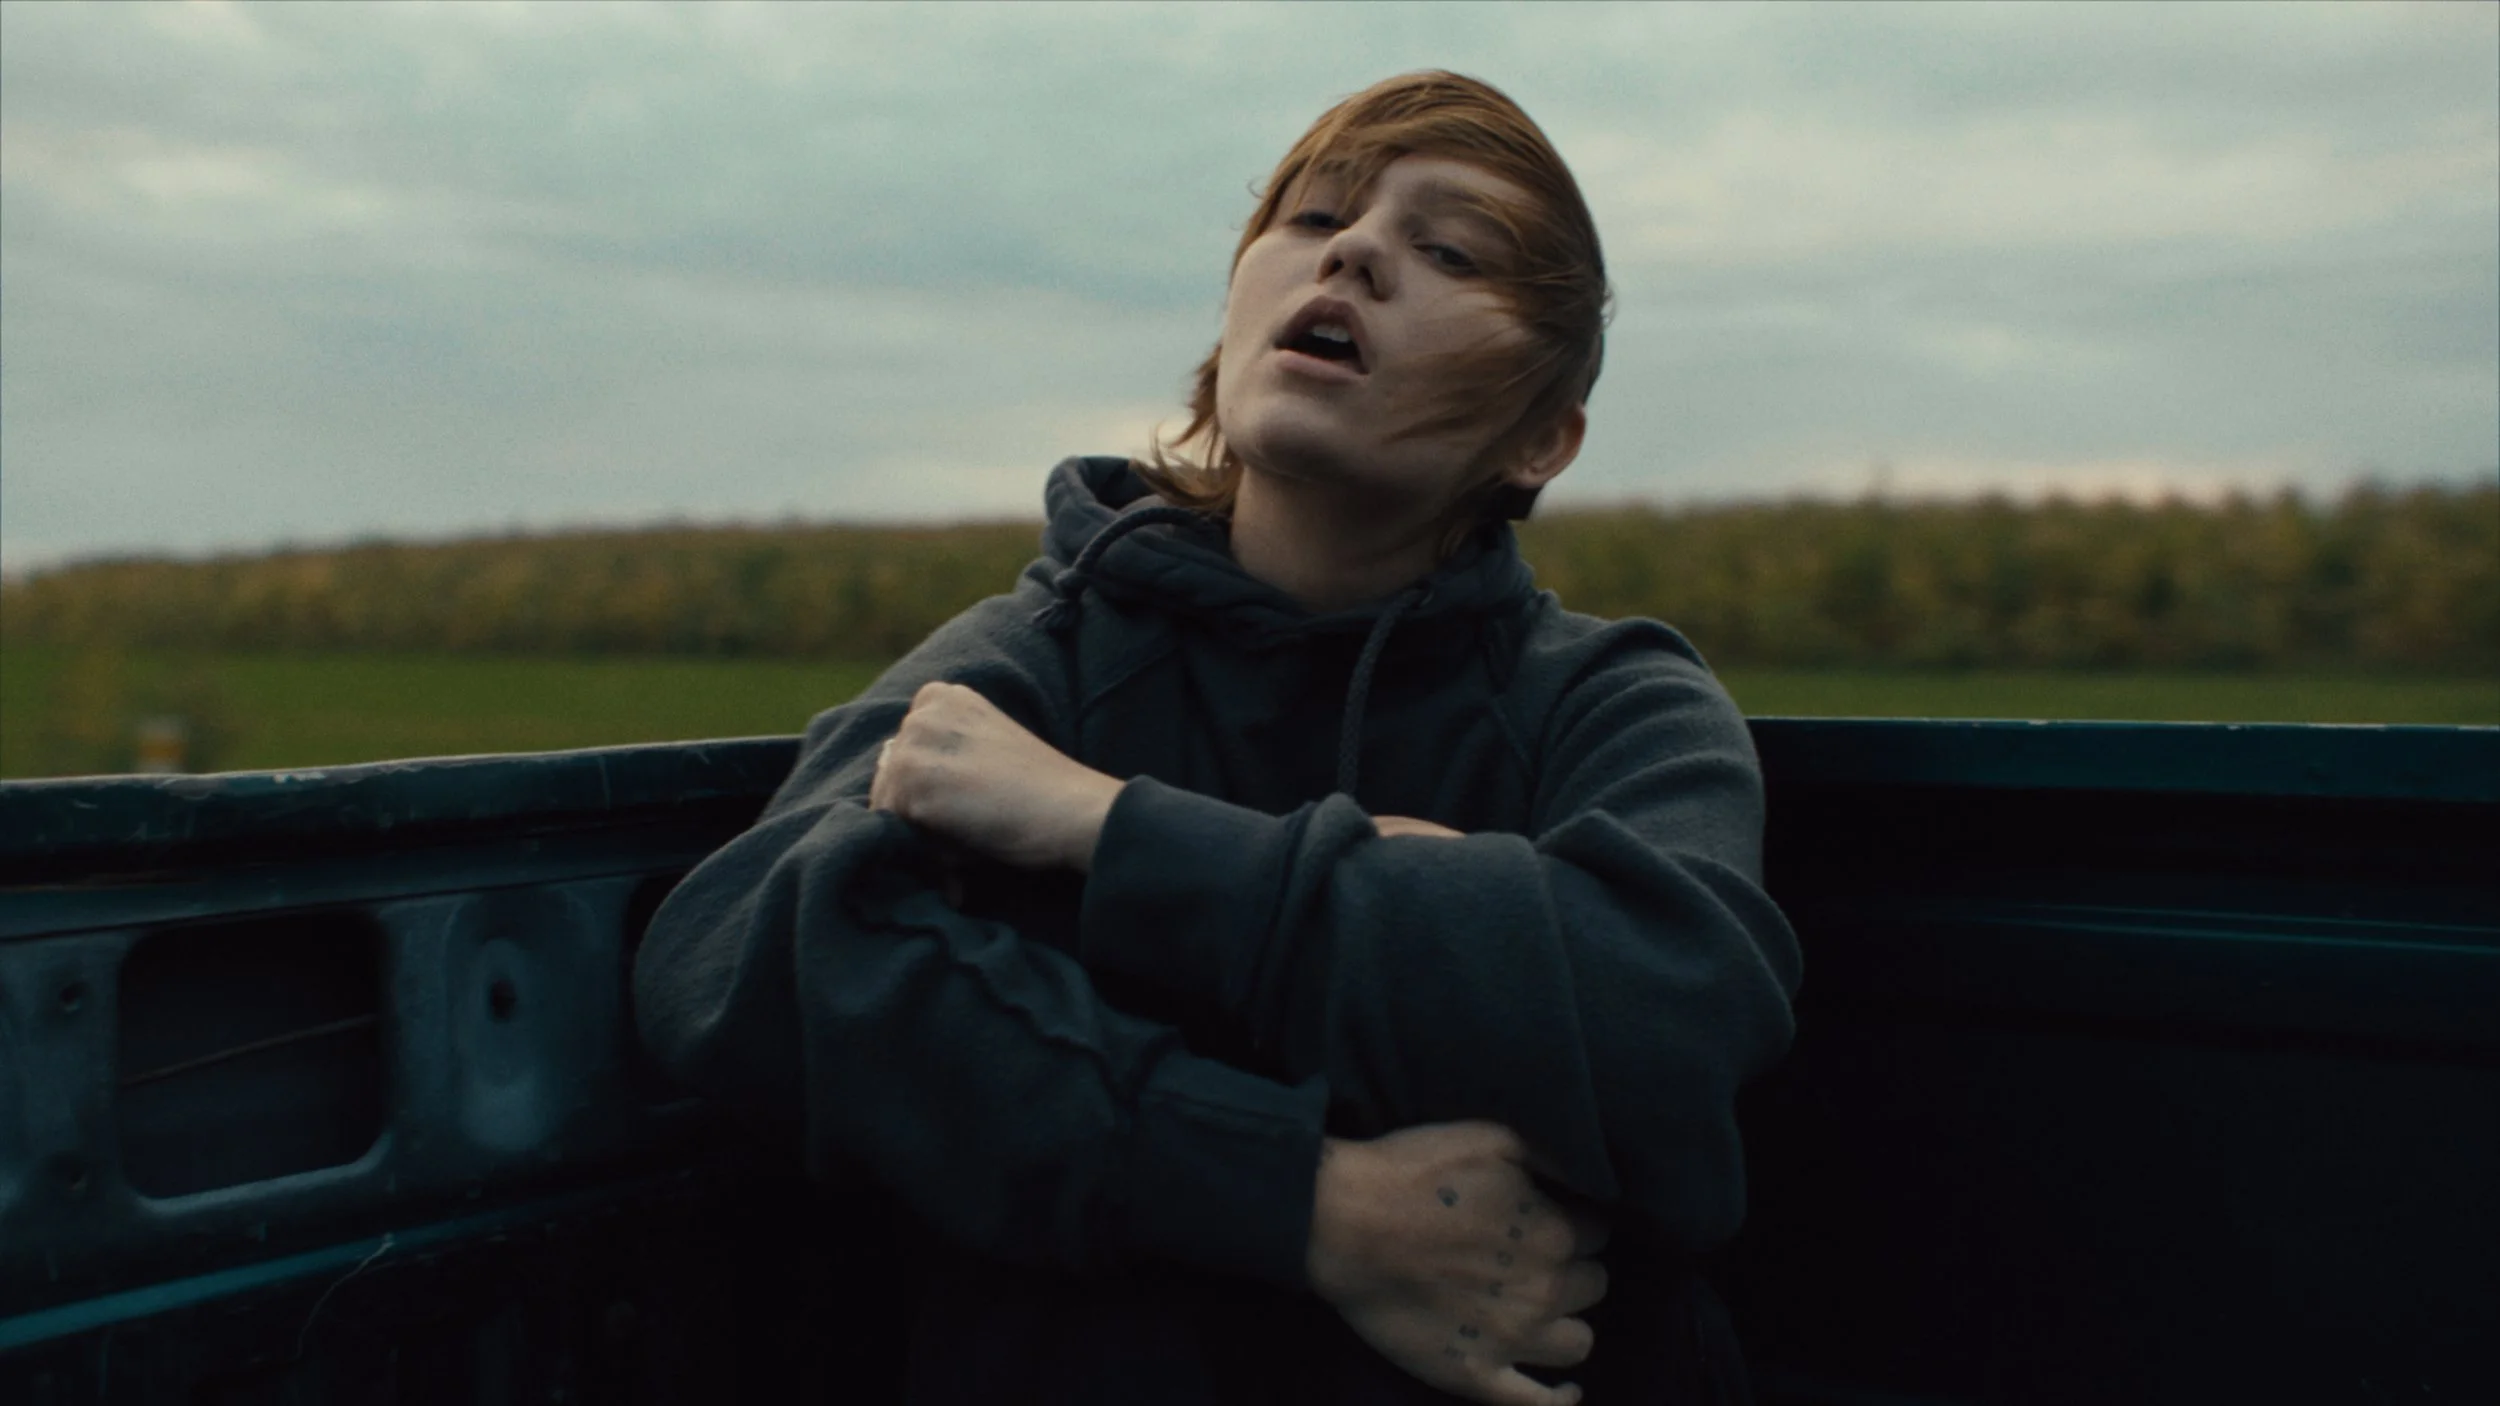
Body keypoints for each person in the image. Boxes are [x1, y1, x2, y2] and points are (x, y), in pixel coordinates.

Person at [633, 70, 1800, 1406]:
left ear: (1544, 436)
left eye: (1450, 250)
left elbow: (1670, 1016)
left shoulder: (1615, 699)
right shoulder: (1041, 655)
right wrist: (1300, 1199)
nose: (1355, 252)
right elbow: (744, 951)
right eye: (1314, 218)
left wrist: (1105, 831)